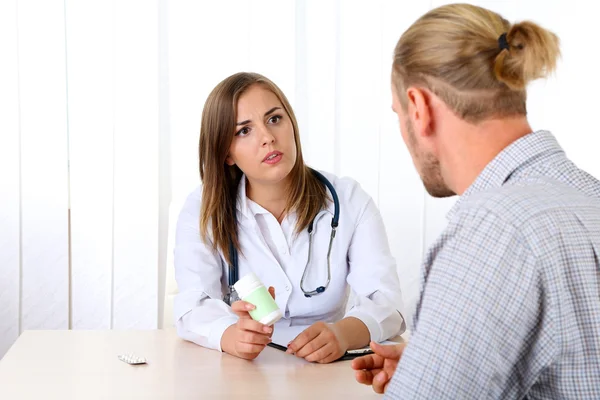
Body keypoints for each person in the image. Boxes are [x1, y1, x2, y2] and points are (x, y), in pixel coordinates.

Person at [352, 3, 600, 398]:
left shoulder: (495, 230)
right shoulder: (588, 195)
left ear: (418, 108)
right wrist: (436, 364)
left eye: (399, 114)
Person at [173, 72, 405, 364]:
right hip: (244, 372)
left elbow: (386, 302)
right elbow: (193, 304)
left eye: (274, 119)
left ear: (292, 124)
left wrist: (344, 334)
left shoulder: (348, 200)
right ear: (226, 153)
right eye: (244, 131)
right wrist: (231, 335)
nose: (268, 138)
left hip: (327, 371)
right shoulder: (202, 208)